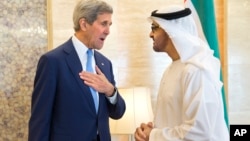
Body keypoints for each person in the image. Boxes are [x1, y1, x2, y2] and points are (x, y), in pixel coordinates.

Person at [28, 0, 126, 141]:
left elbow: (118, 112)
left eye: (109, 25)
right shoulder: (52, 61)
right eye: (103, 23)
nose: (108, 31)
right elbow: (40, 120)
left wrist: (110, 90)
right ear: (84, 24)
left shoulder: (105, 64)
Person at [134, 5, 229, 141]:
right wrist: (154, 130)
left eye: (154, 28)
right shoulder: (172, 69)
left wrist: (153, 136)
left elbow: (199, 132)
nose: (150, 34)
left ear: (170, 30)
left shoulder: (197, 70)